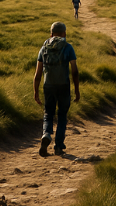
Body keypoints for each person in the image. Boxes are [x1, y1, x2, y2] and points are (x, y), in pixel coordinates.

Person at [33, 22, 80, 157]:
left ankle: (46, 134)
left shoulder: (44, 48)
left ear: (51, 34)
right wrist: (77, 90)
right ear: (64, 33)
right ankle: (58, 146)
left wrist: (36, 92)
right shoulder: (68, 47)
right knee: (62, 116)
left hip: (48, 86)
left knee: (48, 113)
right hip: (64, 85)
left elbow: (38, 74)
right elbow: (75, 72)